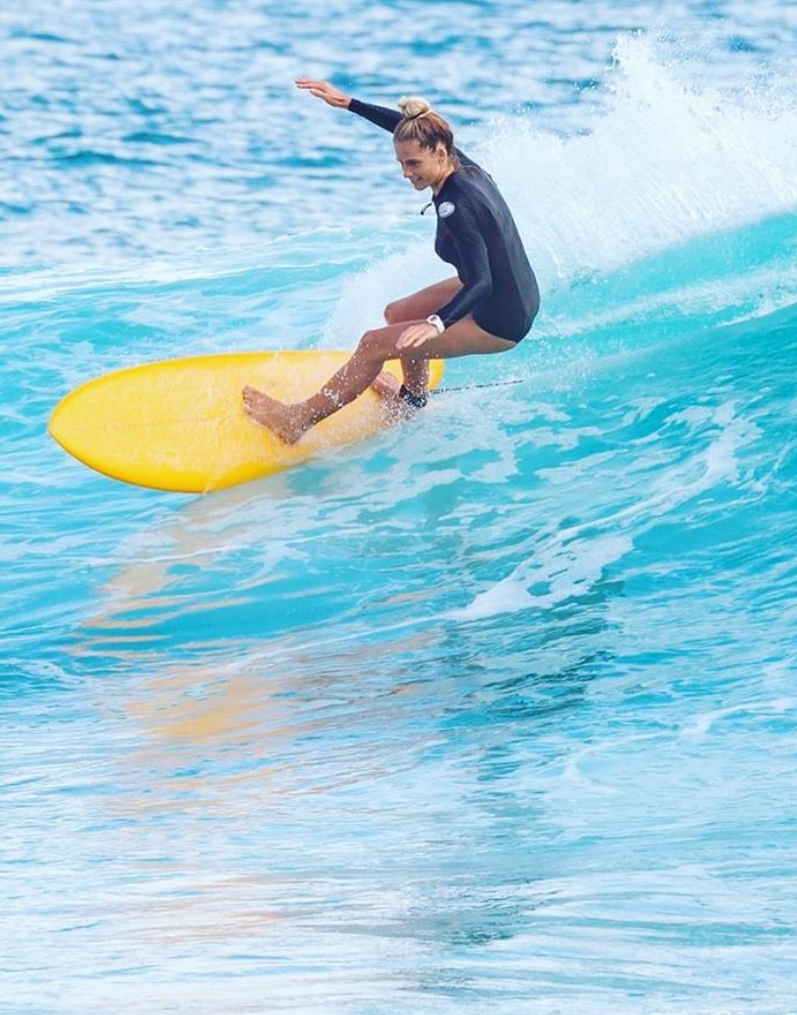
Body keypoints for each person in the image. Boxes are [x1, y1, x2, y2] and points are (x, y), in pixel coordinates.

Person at [242, 78, 540, 444]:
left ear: (441, 154)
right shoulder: (462, 167)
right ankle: (412, 403)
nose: (406, 172)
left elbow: (482, 282)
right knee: (398, 314)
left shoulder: (456, 207)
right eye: (401, 162)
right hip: (512, 289)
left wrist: (437, 323)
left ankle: (297, 420)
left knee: (373, 344)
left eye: (414, 163)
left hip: (501, 316)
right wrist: (350, 103)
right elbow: (409, 132)